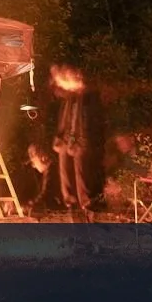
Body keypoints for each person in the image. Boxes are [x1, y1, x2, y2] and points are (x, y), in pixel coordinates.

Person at [50, 63, 106, 220]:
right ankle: (69, 200)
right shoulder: (69, 98)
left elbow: (88, 123)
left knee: (80, 167)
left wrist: (79, 141)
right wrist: (60, 138)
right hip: (67, 137)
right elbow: (63, 119)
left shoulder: (87, 97)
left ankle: (85, 201)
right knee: (63, 165)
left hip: (81, 139)